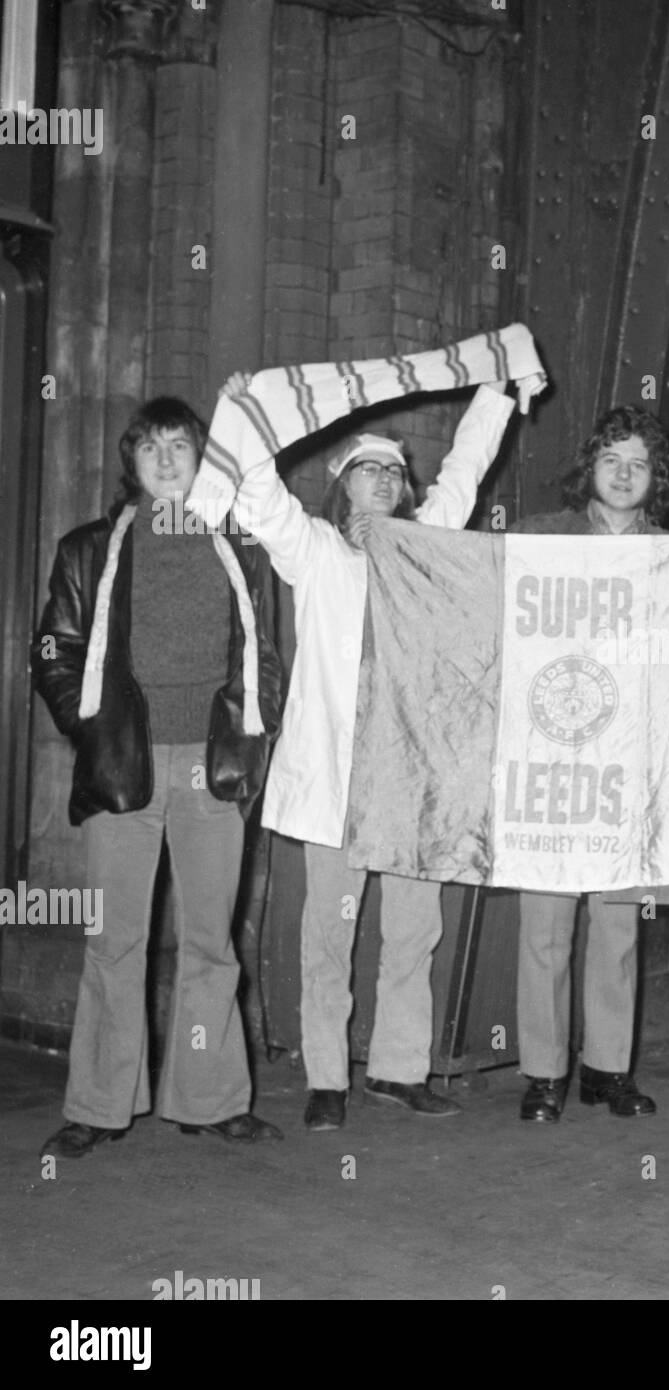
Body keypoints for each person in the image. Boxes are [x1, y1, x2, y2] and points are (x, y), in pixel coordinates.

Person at [216, 371, 536, 1130]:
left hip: (412, 778)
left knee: (414, 929)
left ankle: (398, 1069)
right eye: (370, 469)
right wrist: (244, 414)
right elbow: (257, 497)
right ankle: (328, 1077)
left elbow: (465, 468)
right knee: (331, 930)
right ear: (344, 485)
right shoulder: (317, 553)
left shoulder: (430, 546)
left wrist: (497, 389)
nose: (387, 479)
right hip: (336, 779)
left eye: (395, 471)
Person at [32, 397, 284, 1158]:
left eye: (182, 446)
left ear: (202, 460)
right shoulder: (88, 549)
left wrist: (252, 735)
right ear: (132, 464)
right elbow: (53, 653)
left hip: (213, 771)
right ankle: (100, 1105)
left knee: (211, 943)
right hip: (123, 770)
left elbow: (265, 660)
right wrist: (95, 726)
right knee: (114, 941)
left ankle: (208, 1100)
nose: (168, 460)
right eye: (152, 448)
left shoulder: (241, 550)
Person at [511, 404, 669, 1122]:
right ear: (591, 466)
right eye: (612, 459)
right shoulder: (539, 538)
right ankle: (543, 1073)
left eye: (638, 463)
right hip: (550, 752)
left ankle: (607, 1070)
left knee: (617, 920)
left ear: (656, 478)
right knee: (545, 920)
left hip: (627, 756)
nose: (622, 474)